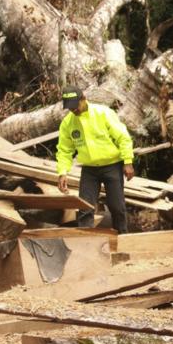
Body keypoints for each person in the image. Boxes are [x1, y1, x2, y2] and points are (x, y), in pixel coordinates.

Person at [56, 85, 135, 233]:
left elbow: (123, 137)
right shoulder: (68, 123)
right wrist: (62, 172)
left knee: (117, 206)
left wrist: (127, 161)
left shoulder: (103, 113)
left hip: (112, 165)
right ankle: (87, 243)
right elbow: (64, 150)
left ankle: (122, 239)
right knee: (85, 207)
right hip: (90, 169)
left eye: (75, 106)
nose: (73, 110)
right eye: (70, 108)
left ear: (84, 99)